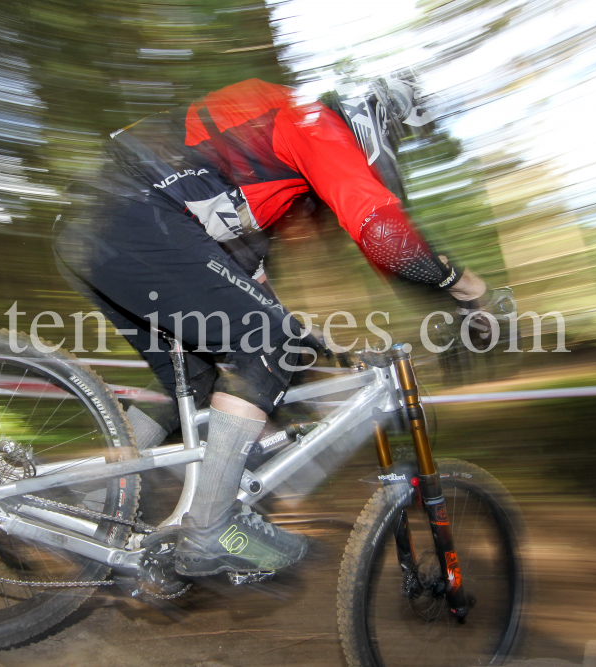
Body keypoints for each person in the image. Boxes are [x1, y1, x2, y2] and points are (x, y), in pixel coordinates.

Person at [55, 78, 503, 577]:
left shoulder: (259, 168)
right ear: (371, 119)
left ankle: (89, 501)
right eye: (392, 135)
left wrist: (300, 339)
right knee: (266, 344)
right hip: (135, 219)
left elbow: (243, 275)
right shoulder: (314, 122)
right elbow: (386, 240)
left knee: (206, 372)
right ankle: (211, 528)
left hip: (93, 229)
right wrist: (466, 286)